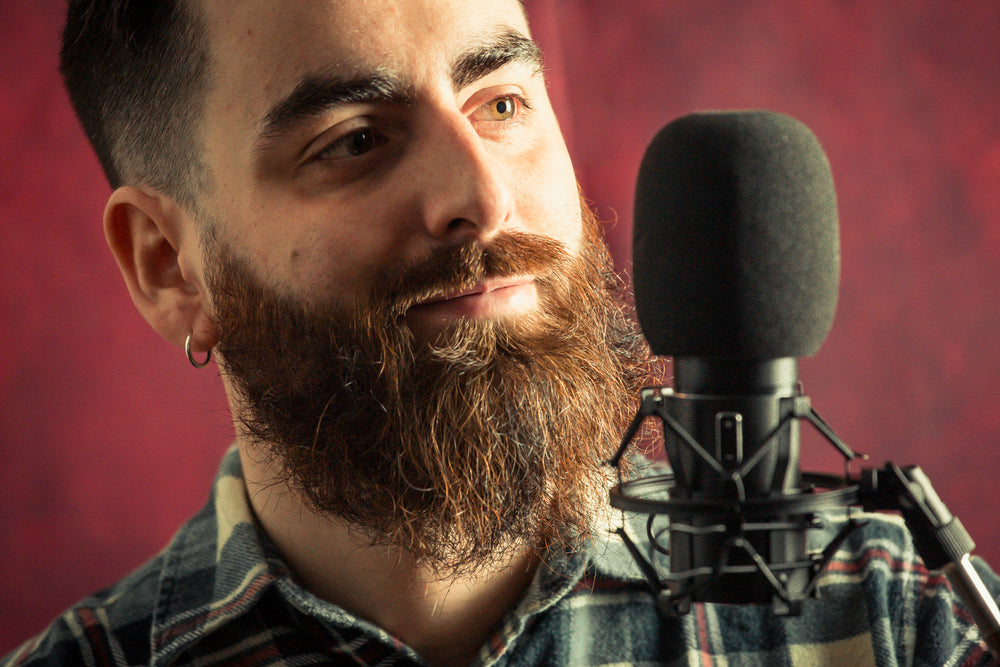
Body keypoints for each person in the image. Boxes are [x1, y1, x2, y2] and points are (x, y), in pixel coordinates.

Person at [3, 0, 998, 665]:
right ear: (170, 265)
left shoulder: (898, 614)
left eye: (504, 103)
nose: (482, 194)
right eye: (354, 139)